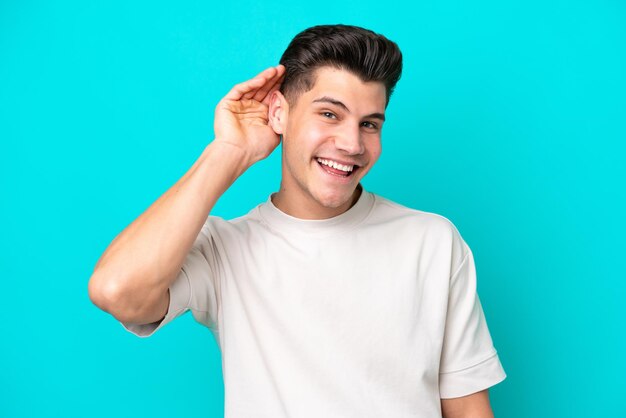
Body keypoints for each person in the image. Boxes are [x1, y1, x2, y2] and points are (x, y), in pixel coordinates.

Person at [88, 24, 506, 418]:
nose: (351, 143)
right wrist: (229, 152)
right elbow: (117, 291)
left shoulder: (432, 240)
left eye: (369, 124)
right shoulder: (224, 250)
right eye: (329, 114)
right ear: (278, 114)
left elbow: (468, 408)